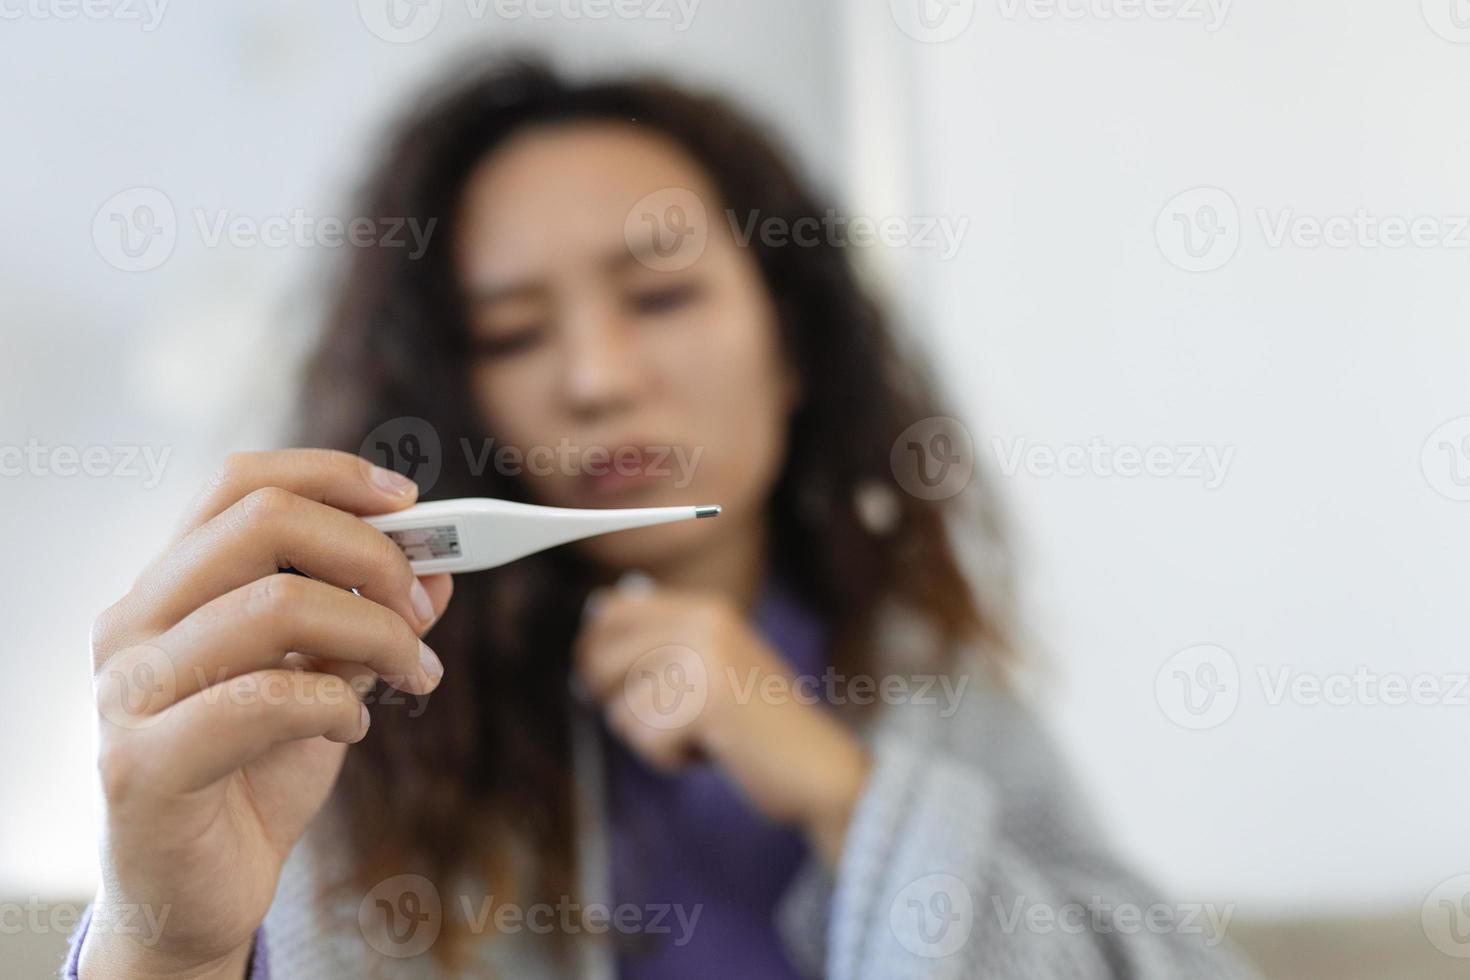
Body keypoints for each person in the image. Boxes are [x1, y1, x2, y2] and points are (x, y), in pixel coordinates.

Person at [73, 57, 1257, 979]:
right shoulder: (354, 721)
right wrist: (167, 942)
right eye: (513, 333)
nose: (595, 375)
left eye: (662, 293)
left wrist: (846, 795)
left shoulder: (931, 689)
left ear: (792, 346)